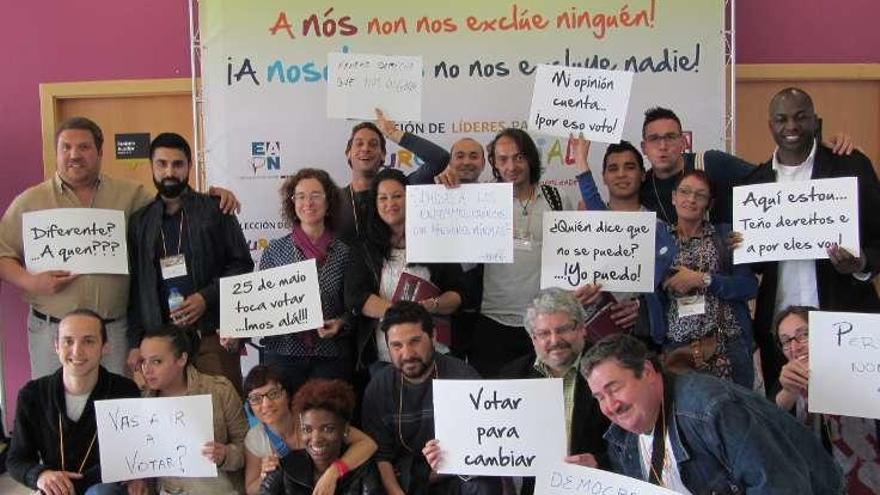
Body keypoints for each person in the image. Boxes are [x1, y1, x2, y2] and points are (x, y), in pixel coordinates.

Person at [0, 116, 239, 378]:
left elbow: (171, 199)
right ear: (55, 152)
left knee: (114, 409)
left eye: (84, 147)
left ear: (100, 152)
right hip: (53, 330)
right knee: (53, 409)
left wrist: (214, 196)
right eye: (66, 147)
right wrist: (29, 281)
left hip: (113, 330)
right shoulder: (30, 201)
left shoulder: (130, 195)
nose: (74, 155)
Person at [738, 87, 880, 390]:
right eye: (782, 119)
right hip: (781, 328)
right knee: (787, 420)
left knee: (850, 424)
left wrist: (862, 263)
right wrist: (740, 246)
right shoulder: (754, 183)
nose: (791, 127)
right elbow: (758, 265)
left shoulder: (850, 166)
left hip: (845, 317)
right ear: (770, 125)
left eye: (801, 117)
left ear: (816, 121)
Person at [582, 333, 843, 494]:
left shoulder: (712, 409)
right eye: (600, 398)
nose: (610, 406)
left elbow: (781, 487)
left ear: (648, 372)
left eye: (614, 389)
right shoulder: (625, 435)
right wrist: (600, 465)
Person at [127, 132, 253, 393]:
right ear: (152, 166)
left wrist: (206, 297)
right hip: (160, 345)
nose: (169, 171)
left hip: (210, 335)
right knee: (170, 423)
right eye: (162, 164)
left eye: (177, 164)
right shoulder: (140, 221)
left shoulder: (216, 209)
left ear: (189, 167)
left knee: (224, 414)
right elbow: (136, 287)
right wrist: (134, 342)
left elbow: (242, 265)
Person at [467, 128, 575, 377]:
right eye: (502, 159)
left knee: (544, 401)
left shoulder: (557, 198)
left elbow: (572, 255)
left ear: (531, 159)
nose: (511, 166)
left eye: (518, 157)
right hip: (493, 320)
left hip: (545, 321)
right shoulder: (481, 200)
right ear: (493, 162)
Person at [361, 301, 499, 495]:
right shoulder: (379, 388)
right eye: (397, 346)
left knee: (482, 485)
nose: (407, 354)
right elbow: (381, 455)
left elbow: (483, 444)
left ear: (433, 336)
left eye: (415, 341)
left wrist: (438, 472)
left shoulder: (463, 377)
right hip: (406, 475)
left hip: (454, 472)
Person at [6, 309, 143, 495]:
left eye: (88, 341)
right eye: (68, 341)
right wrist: (40, 475)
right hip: (57, 488)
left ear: (105, 347)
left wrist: (138, 475)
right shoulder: (33, 394)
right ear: (56, 346)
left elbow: (136, 449)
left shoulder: (125, 391)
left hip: (104, 487)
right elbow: (16, 459)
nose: (77, 351)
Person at [345, 168, 463, 371]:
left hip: (435, 353)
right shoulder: (364, 246)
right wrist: (404, 314)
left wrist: (433, 305)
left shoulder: (436, 240)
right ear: (375, 203)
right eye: (383, 198)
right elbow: (356, 297)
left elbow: (457, 295)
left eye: (397, 196)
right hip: (384, 357)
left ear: (412, 199)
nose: (390, 204)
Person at [496, 288, 609, 494]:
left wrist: (600, 462)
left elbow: (634, 439)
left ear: (582, 328)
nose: (555, 340)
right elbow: (490, 440)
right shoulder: (511, 376)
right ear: (533, 338)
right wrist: (450, 453)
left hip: (596, 485)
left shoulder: (609, 369)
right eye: (544, 333)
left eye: (563, 329)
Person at [657, 170, 756, 388]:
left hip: (727, 346)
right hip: (677, 350)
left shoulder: (725, 237)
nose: (691, 199)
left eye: (700, 195)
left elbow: (749, 287)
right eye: (685, 192)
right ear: (673, 197)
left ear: (708, 204)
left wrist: (704, 279)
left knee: (735, 416)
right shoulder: (658, 240)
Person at [258, 168, 352, 395]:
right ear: (292, 203)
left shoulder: (344, 252)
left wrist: (340, 323)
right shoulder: (274, 251)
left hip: (329, 355)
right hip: (282, 354)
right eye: (300, 196)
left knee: (327, 421)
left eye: (315, 196)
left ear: (328, 202)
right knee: (285, 422)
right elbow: (259, 305)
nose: (308, 203)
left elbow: (354, 305)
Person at [772, 306, 880, 494]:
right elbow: (771, 419)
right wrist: (789, 391)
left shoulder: (865, 365)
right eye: (786, 341)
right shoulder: (785, 379)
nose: (795, 347)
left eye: (804, 334)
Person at [139, 324, 248, 494]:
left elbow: (246, 446)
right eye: (143, 361)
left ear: (182, 359)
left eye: (157, 361)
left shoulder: (219, 390)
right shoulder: (141, 401)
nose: (147, 370)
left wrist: (225, 454)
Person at [243, 365, 377, 495]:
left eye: (273, 394)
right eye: (256, 399)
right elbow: (250, 488)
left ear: (288, 394)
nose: (266, 404)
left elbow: (368, 444)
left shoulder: (311, 418)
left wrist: (335, 471)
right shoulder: (255, 438)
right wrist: (268, 476)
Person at [338, 113, 446, 242]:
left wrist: (393, 132)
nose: (366, 148)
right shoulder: (334, 201)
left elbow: (440, 159)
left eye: (373, 144)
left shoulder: (404, 189)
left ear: (383, 154)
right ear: (348, 153)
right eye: (359, 144)